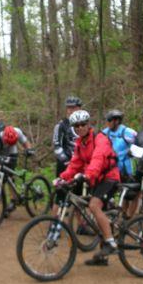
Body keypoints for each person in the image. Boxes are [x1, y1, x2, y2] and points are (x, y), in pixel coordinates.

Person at [58, 109, 121, 266]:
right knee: (96, 213)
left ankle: (111, 243)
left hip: (109, 178)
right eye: (76, 126)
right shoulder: (80, 143)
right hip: (96, 180)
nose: (80, 128)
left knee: (94, 205)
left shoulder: (100, 139)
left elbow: (98, 159)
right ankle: (102, 257)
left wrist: (87, 175)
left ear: (89, 124)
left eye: (83, 124)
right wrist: (62, 178)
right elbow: (75, 164)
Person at [0, 124, 35, 213]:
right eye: (7, 143)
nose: (8, 145)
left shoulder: (17, 131)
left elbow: (25, 143)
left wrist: (29, 149)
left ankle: (13, 200)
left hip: (11, 153)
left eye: (11, 143)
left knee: (10, 176)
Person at [101, 109, 137, 181]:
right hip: (110, 168)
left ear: (117, 121)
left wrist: (132, 151)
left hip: (125, 169)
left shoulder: (127, 132)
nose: (107, 123)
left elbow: (139, 143)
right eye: (107, 120)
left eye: (109, 120)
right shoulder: (105, 132)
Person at [52, 96, 82, 177]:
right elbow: (56, 146)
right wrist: (65, 160)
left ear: (79, 108)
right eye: (69, 108)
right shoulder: (61, 125)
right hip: (66, 162)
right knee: (61, 187)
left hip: (82, 163)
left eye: (73, 108)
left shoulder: (85, 125)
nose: (71, 110)